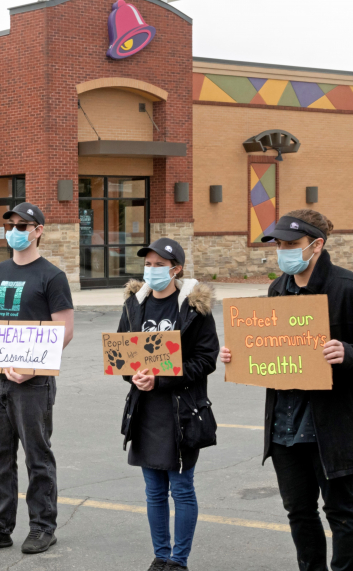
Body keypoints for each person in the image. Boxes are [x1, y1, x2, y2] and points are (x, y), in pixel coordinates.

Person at [220, 209, 353, 571]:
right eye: (279, 244)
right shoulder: (276, 290)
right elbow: (268, 346)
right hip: (285, 425)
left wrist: (348, 352)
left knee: (340, 510)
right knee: (299, 511)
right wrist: (239, 353)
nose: (283, 250)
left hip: (332, 423)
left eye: (291, 244)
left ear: (316, 245)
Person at [0, 202, 75, 556]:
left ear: (39, 230)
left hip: (32, 382)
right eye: (10, 224)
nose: (15, 231)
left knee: (37, 456)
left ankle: (43, 526)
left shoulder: (51, 276)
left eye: (23, 226)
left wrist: (34, 369)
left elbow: (65, 331)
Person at [117, 238, 219, 571]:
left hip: (181, 410)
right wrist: (134, 377)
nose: (151, 270)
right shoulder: (135, 304)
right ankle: (161, 555)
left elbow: (206, 359)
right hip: (145, 410)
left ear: (176, 269)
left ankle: (179, 559)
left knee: (181, 487)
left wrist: (161, 380)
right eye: (148, 264)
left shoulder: (193, 307)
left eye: (159, 265)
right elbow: (122, 355)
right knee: (153, 489)